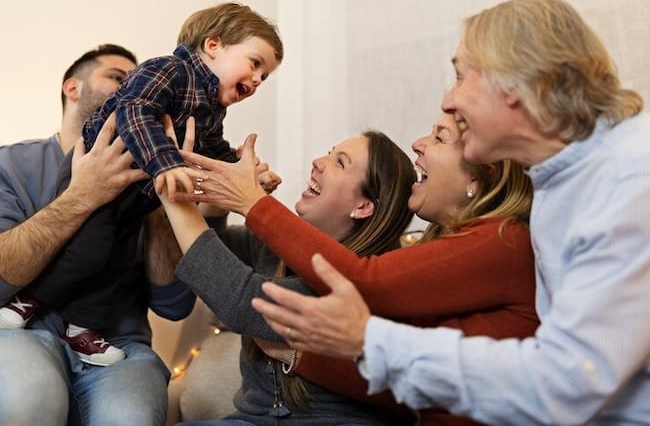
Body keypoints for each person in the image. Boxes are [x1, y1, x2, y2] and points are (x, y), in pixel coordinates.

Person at [251, 0, 650, 425]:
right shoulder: (559, 189)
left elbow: (568, 383)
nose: (449, 101)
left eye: (461, 76)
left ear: (518, 82)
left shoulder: (628, 180)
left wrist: (371, 342)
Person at [175, 110, 538, 425]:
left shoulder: (502, 240)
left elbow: (364, 282)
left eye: (439, 137)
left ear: (478, 177)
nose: (418, 143)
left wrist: (243, 201)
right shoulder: (445, 248)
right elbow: (405, 374)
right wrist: (219, 200)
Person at [1, 2, 283, 366]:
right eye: (255, 63)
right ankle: (29, 298)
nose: (258, 79)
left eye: (265, 76)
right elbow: (135, 110)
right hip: (94, 170)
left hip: (134, 192)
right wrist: (166, 163)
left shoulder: (212, 109)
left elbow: (211, 149)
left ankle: (82, 327)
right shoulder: (169, 69)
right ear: (213, 46)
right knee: (90, 248)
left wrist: (243, 172)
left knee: (116, 261)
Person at [159, 124, 418, 425]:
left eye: (340, 162)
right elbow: (214, 254)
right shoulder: (278, 247)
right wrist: (220, 199)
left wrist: (169, 182)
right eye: (330, 152)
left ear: (363, 206)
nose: (318, 161)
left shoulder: (358, 279)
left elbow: (240, 301)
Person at [0, 44, 195, 425]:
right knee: (24, 398)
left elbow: (174, 305)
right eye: (119, 78)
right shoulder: (10, 164)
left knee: (129, 417)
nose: (134, 89)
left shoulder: (156, 174)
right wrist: (83, 195)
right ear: (72, 88)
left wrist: (161, 192)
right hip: (21, 335)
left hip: (119, 347)